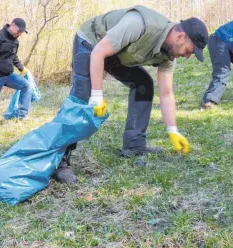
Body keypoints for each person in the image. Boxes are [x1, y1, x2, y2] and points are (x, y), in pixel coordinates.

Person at [53, 6, 209, 183]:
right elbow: (99, 52)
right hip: (92, 42)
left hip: (116, 53)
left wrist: (172, 130)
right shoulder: (139, 24)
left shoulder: (169, 53)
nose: (188, 56)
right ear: (181, 37)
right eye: (189, 50)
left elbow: (166, 94)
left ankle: (134, 146)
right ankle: (59, 161)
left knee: (143, 84)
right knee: (82, 96)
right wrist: (97, 95)